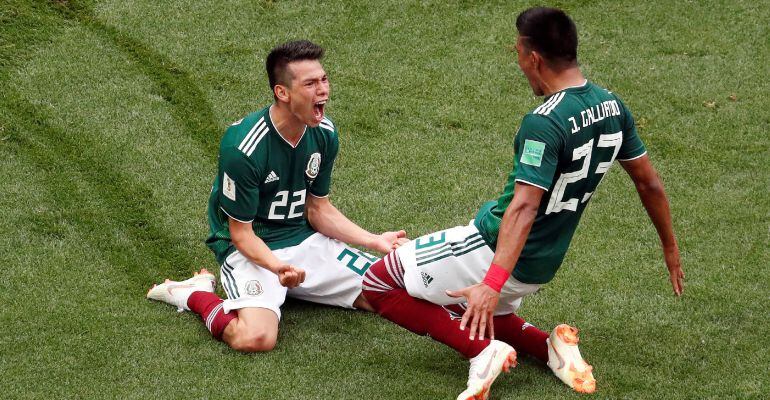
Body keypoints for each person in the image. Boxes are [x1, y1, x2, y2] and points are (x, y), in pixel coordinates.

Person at [362, 7, 684, 399]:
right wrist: (669, 246)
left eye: (517, 53)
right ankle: (549, 346)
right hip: (543, 262)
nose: (519, 64)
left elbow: (524, 207)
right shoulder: (613, 107)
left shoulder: (544, 122)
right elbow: (649, 183)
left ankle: (483, 351)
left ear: (533, 57)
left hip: (494, 248)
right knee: (485, 309)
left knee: (379, 282)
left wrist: (491, 283)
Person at [147, 40, 407, 352]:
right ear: (282, 93)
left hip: (302, 239)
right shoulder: (243, 147)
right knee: (255, 338)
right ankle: (194, 293)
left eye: (323, 79)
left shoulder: (324, 133)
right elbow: (240, 234)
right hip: (250, 250)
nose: (322, 90)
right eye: (310, 83)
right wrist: (277, 267)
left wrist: (374, 240)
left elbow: (317, 210)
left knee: (390, 291)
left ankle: (294, 289)